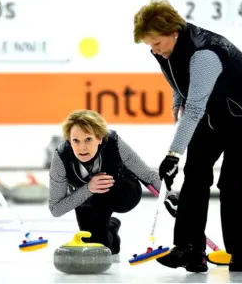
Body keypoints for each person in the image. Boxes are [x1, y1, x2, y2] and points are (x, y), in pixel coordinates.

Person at [133, 0, 242, 273]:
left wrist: (173, 154)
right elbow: (178, 80)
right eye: (149, 45)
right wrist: (177, 103)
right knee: (196, 173)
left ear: (173, 32)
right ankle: (190, 249)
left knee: (231, 183)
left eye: (155, 43)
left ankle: (240, 251)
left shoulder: (204, 54)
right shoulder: (167, 49)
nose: (153, 50)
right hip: (215, 113)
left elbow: (196, 107)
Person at [48, 109, 179, 255]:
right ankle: (111, 230)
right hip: (88, 198)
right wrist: (88, 189)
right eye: (75, 141)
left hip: (124, 192)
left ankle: (103, 225)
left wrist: (169, 196)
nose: (82, 147)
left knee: (103, 184)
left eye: (88, 139)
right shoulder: (61, 157)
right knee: (96, 243)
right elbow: (56, 209)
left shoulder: (113, 142)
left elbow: (147, 175)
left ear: (100, 138)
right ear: (68, 141)